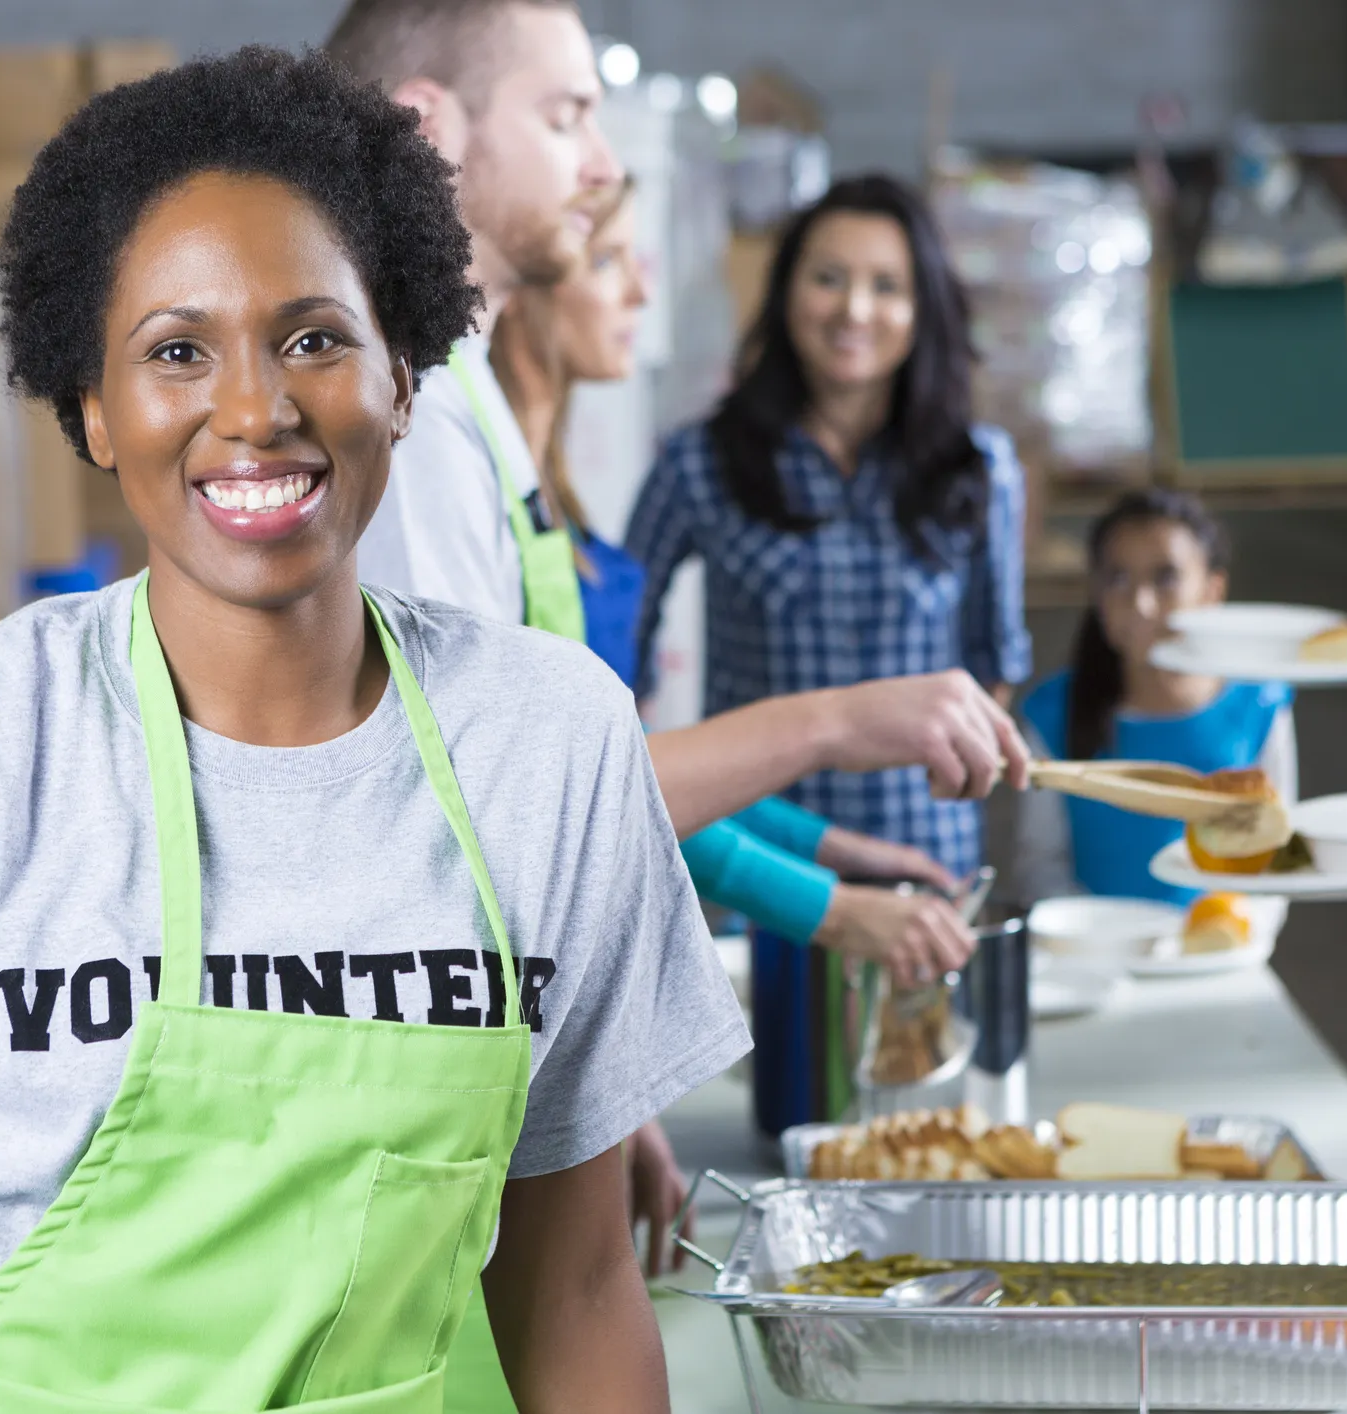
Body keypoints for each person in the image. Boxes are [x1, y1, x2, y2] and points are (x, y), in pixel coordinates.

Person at [0, 49, 748, 1413]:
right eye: (176, 351)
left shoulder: (550, 747)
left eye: (314, 336)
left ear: (405, 381)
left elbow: (573, 1292)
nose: (253, 411)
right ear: (92, 409)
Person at [329, 0, 1030, 843]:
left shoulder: (459, 393)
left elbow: (557, 756)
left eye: (888, 287)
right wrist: (834, 733)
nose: (600, 166)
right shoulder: (415, 417)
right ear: (426, 125)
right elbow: (495, 795)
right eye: (566, 119)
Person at [490, 177, 979, 990]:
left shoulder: (542, 482)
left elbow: (618, 768)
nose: (644, 289)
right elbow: (592, 783)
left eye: (887, 285)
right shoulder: (688, 461)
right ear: (518, 291)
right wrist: (825, 894)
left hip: (885, 871)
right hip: (744, 903)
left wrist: (833, 854)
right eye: (610, 262)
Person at [625, 174, 1031, 1135]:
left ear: (921, 309)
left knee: (919, 1133)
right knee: (756, 1125)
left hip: (922, 874)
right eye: (828, 278)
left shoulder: (977, 468)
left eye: (886, 285)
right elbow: (609, 665)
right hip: (756, 875)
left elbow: (993, 660)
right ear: (785, 296)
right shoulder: (702, 462)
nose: (855, 309)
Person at [1019, 489, 1294, 915]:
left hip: (1217, 955)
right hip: (1093, 958)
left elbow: (1279, 854)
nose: (1141, 604)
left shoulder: (1259, 703)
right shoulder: (1053, 712)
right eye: (1117, 579)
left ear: (1211, 590)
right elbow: (1039, 865)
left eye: (1165, 578)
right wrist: (1102, 938)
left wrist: (1233, 932)